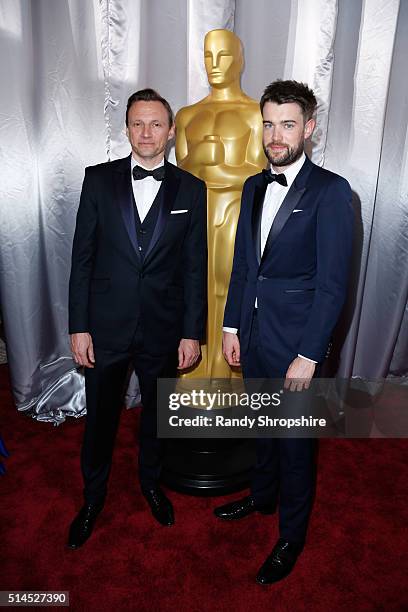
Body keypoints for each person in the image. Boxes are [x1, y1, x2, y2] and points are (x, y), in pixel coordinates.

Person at [214, 80, 354, 584]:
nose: (276, 135)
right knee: (262, 429)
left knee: (296, 444)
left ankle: (291, 536)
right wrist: (231, 323)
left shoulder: (333, 192)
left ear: (309, 128)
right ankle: (261, 496)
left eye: (288, 124)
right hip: (252, 336)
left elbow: (334, 286)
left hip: (297, 346)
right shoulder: (253, 186)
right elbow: (244, 266)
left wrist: (310, 355)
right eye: (269, 123)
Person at [68, 89, 207, 548]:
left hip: (164, 329)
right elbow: (82, 260)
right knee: (101, 419)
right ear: (126, 128)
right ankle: (92, 499)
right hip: (105, 326)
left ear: (170, 131)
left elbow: (193, 267)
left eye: (154, 124)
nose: (145, 133)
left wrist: (192, 332)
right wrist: (78, 325)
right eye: (136, 124)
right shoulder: (97, 180)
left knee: (157, 417)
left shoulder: (192, 189)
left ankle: (151, 483)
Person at [176, 29, 265, 381]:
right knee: (192, 287)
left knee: (230, 287)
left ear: (240, 60)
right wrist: (203, 163)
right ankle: (194, 370)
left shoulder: (255, 113)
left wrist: (214, 165)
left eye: (224, 55)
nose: (214, 64)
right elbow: (181, 173)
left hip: (235, 213)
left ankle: (229, 373)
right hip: (194, 216)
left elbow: (259, 173)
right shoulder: (186, 115)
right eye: (209, 55)